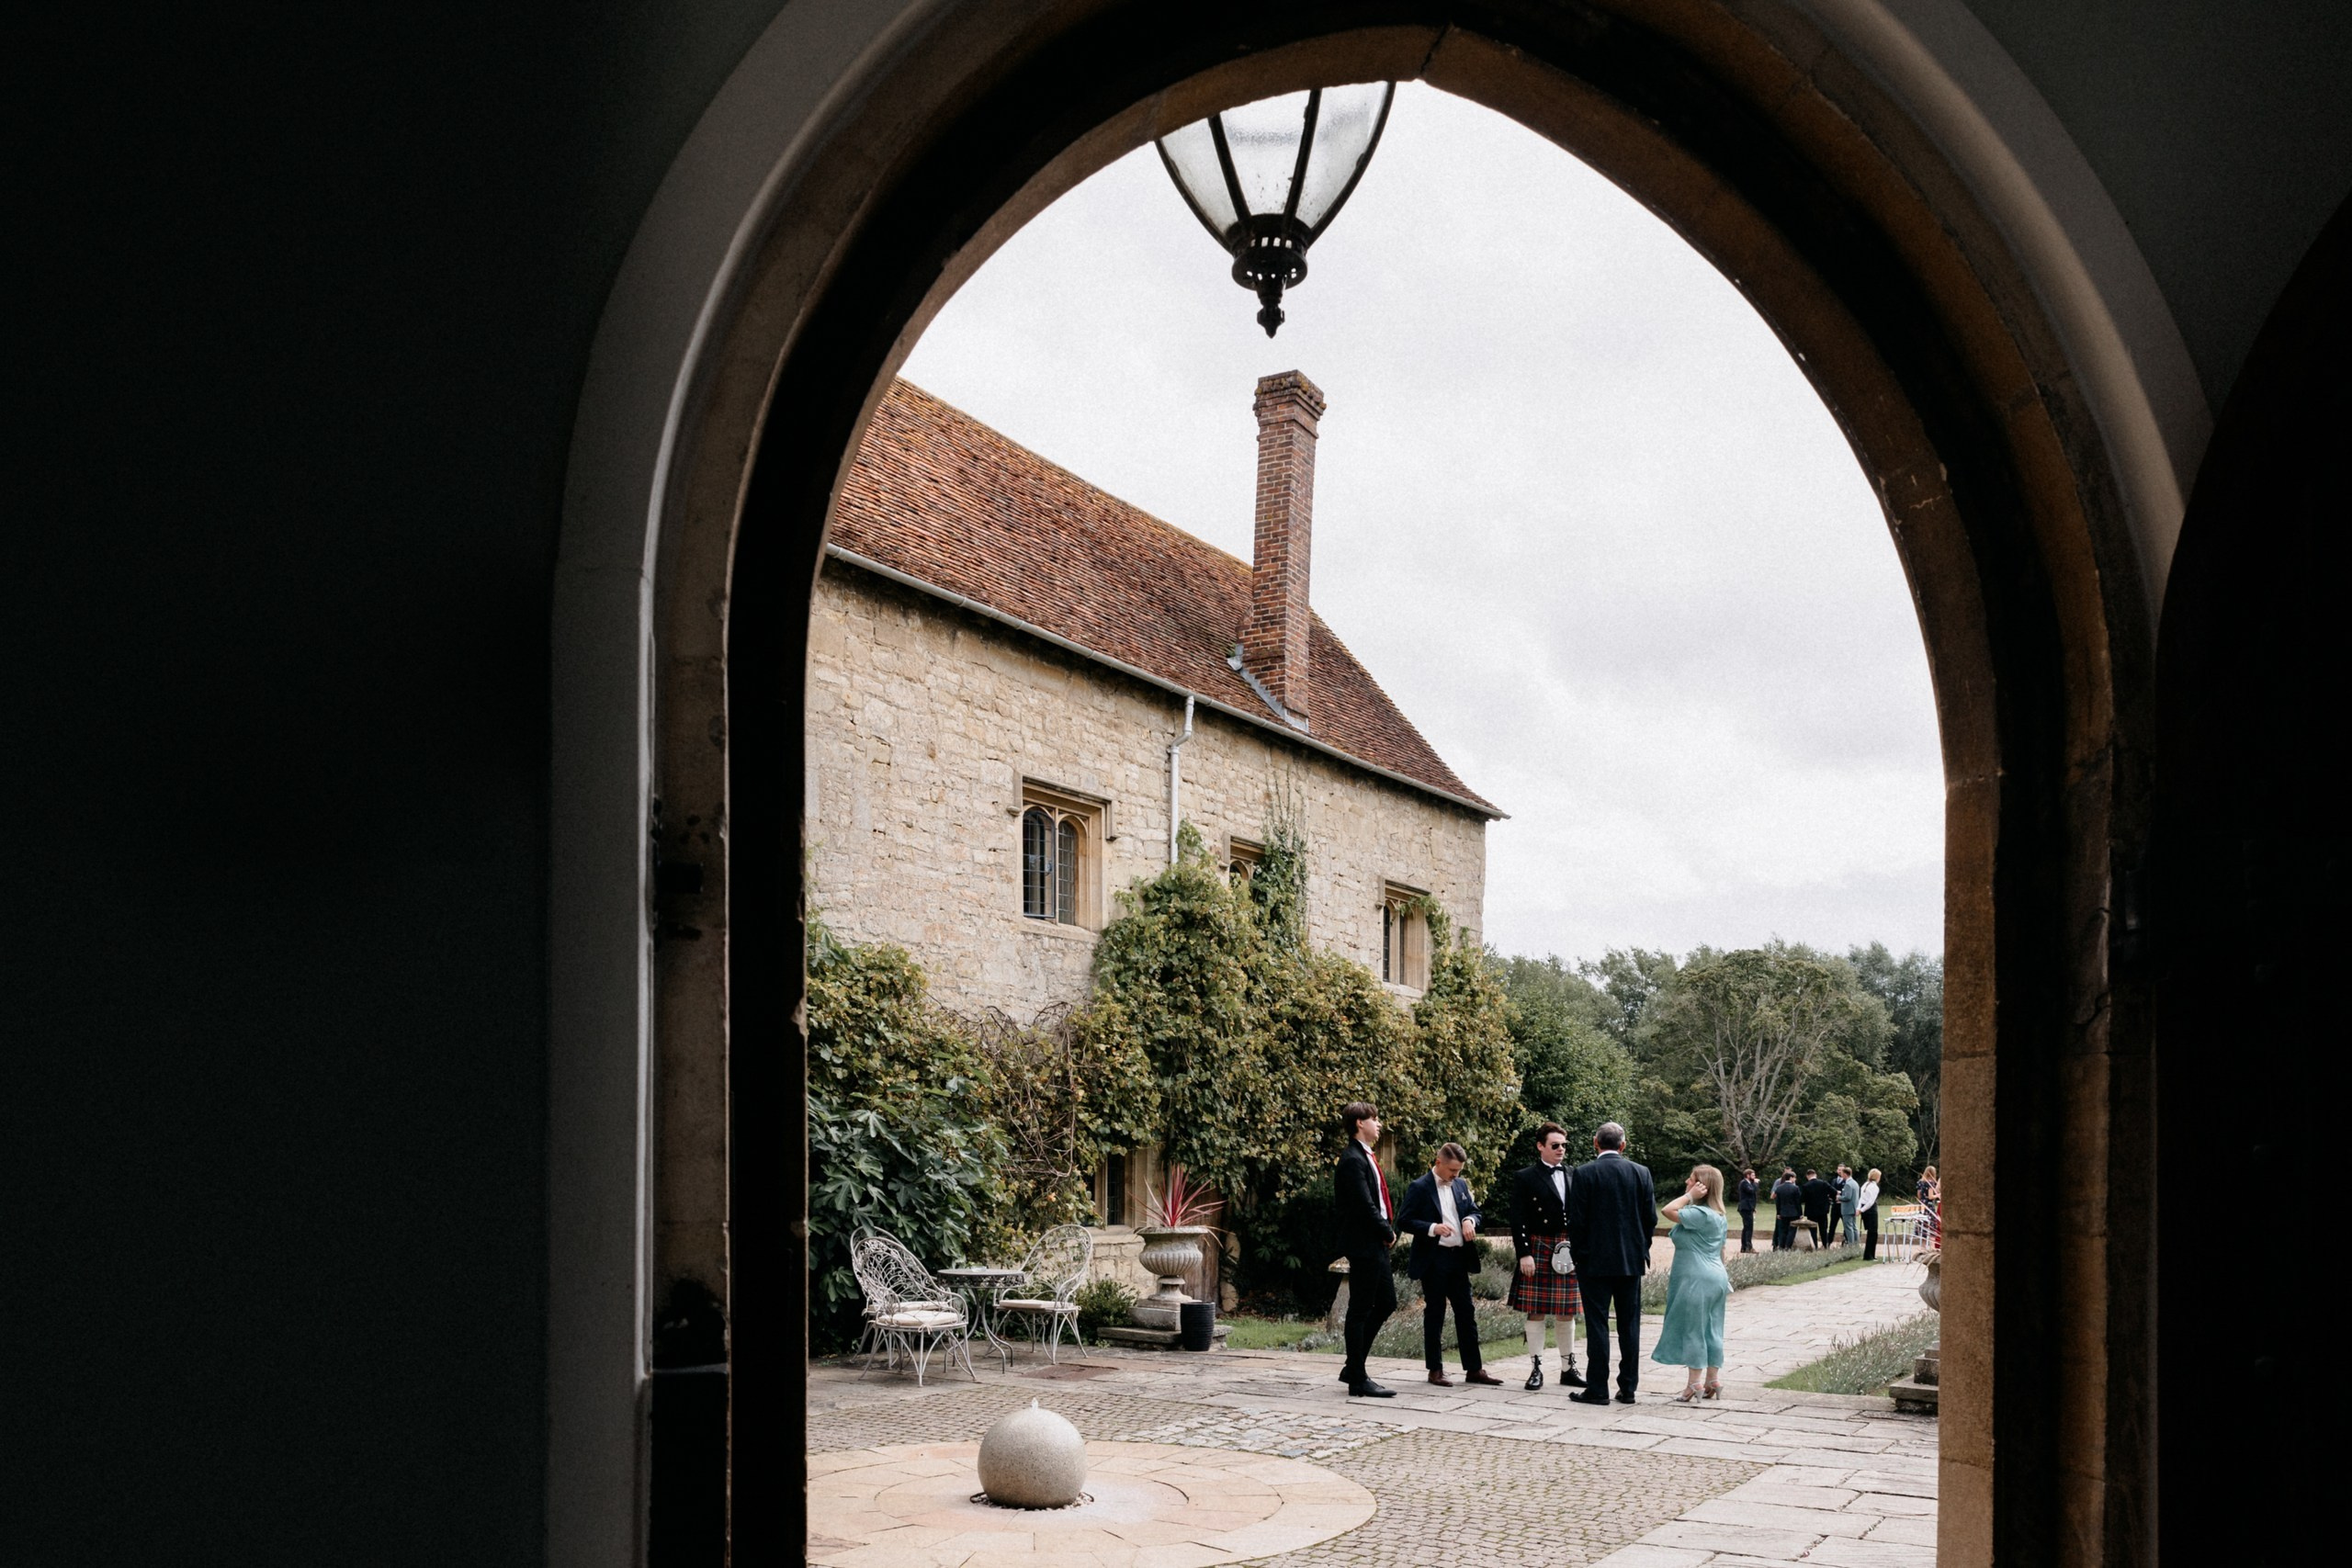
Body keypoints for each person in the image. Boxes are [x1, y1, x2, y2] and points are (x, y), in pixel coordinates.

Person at [1399, 1142, 1505, 1387]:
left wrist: (1469, 1220)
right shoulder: (1419, 1187)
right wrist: (1432, 1228)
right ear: (1438, 1163)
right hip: (1433, 1259)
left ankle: (1474, 1369)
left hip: (1459, 1258)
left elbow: (1475, 1212)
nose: (1456, 1176)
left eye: (1459, 1171)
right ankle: (1435, 1370)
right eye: (1452, 1171)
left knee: (1466, 1313)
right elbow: (1404, 1220)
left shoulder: (1461, 1184)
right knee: (1435, 1313)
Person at [1566, 1121, 1657, 1404]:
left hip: (1593, 1262)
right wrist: (1641, 1248)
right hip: (1630, 1260)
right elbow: (1649, 1218)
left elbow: (1576, 1220)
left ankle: (1598, 1389)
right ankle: (1628, 1388)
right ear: (1623, 1145)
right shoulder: (1641, 1173)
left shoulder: (1583, 1173)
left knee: (1597, 1325)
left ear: (1596, 1143)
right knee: (1630, 1325)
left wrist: (1579, 1254)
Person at [1507, 1122, 1585, 1391]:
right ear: (1541, 1146)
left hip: (1569, 1247)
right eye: (1555, 1145)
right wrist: (1524, 1253)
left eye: (1564, 1145)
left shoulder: (1575, 1174)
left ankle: (1568, 1368)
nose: (1561, 1150)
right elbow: (1517, 1220)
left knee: (1567, 1312)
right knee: (1536, 1310)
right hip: (1540, 1246)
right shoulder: (1525, 1176)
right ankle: (1536, 1368)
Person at [1333, 1101, 1398, 1398]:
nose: (1379, 1124)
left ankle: (1352, 1366)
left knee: (1386, 1303)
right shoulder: (1352, 1159)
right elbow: (1363, 1205)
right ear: (1360, 1123)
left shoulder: (1365, 1156)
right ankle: (1357, 1380)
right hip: (1365, 1243)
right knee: (1360, 1309)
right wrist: (1386, 1230)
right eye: (1375, 1118)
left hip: (1375, 1244)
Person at [1653, 1164, 1732, 1402]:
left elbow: (1667, 1210)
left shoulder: (1699, 1214)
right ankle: (1713, 1380)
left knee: (1693, 1329)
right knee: (1712, 1328)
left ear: (1702, 1187)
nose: (1687, 1183)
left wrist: (1689, 1197)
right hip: (1715, 1275)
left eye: (1691, 1180)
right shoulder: (1720, 1216)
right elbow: (1722, 1251)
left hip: (1695, 1277)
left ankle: (1694, 1384)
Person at [1800, 1168, 1835, 1247]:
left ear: (1807, 1176)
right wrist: (1829, 1198)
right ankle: (1825, 1245)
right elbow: (1834, 1192)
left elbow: (1802, 1199)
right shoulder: (1823, 1183)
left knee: (1813, 1229)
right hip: (1823, 1210)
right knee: (1823, 1229)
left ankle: (1814, 1246)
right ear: (1815, 1175)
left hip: (1811, 1211)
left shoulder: (1806, 1186)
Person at [1771, 1168, 1802, 1250]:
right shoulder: (1795, 1188)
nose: (1795, 1179)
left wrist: (1778, 1213)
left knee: (1783, 1230)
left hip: (1783, 1212)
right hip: (1793, 1213)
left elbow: (1778, 1202)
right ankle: (1788, 1247)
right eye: (1794, 1178)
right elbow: (1798, 1202)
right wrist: (1800, 1213)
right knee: (1792, 1230)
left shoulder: (1779, 1188)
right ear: (1791, 1178)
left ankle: (1781, 1246)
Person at [1859, 1167, 1883, 1260]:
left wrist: (1859, 1209)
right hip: (1871, 1210)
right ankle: (1869, 1255)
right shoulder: (1874, 1187)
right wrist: (1862, 1210)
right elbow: (1870, 1202)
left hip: (1864, 1210)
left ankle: (1870, 1254)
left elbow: (1861, 1199)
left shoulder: (1865, 1185)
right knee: (1873, 1233)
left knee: (1871, 1232)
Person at [1735, 1167, 1759, 1252]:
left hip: (1749, 1207)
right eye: (1753, 1175)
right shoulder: (1744, 1183)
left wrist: (1753, 1207)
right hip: (1745, 1208)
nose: (1755, 1177)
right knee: (1749, 1227)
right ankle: (1749, 1247)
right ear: (1747, 1175)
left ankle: (1744, 1247)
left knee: (1746, 1227)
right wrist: (1756, 1183)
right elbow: (1751, 1191)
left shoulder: (1749, 1183)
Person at [1837, 1165, 1861, 1247]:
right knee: (1854, 1227)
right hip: (1854, 1208)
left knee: (1848, 1228)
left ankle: (1851, 1245)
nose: (1841, 1175)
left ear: (1845, 1174)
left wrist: (1838, 1197)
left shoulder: (1848, 1184)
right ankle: (1856, 1244)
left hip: (1847, 1209)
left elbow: (1847, 1197)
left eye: (1842, 1173)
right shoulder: (1855, 1183)